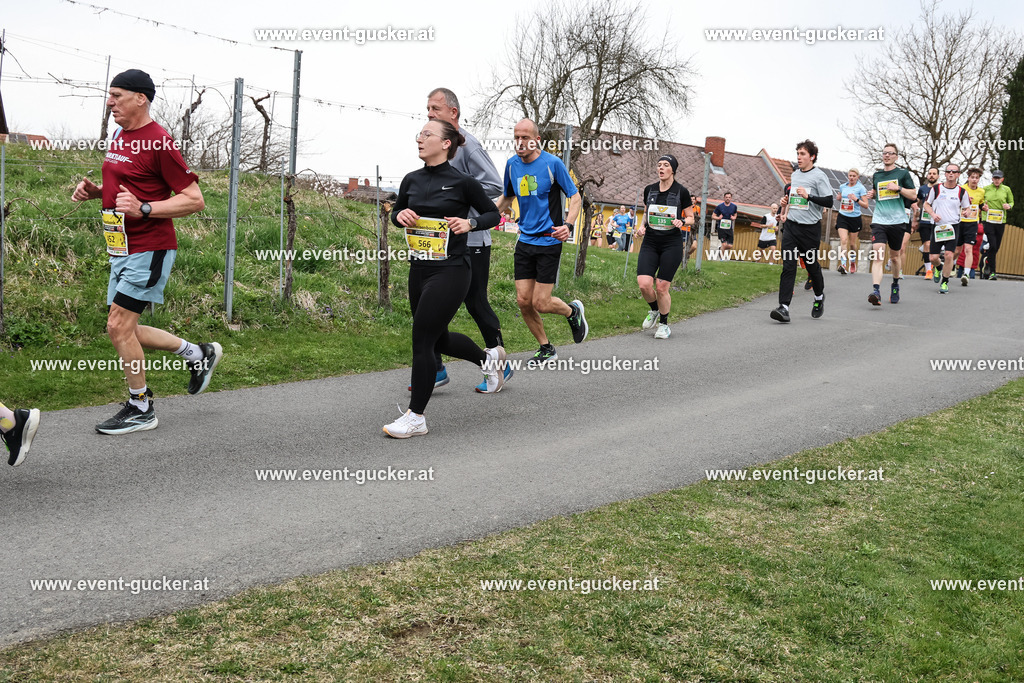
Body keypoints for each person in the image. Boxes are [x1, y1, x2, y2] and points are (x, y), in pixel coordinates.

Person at [71, 69, 221, 435]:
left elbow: (194, 200)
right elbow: (129, 185)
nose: (110, 102)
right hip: (120, 246)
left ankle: (141, 406)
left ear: (141, 98)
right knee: (126, 330)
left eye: (117, 95)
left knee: (117, 325)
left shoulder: (160, 142)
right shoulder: (121, 135)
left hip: (149, 247)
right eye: (109, 96)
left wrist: (146, 209)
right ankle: (196, 353)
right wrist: (96, 192)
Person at [385, 120, 506, 438]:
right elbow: (396, 213)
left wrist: (471, 224)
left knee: (421, 339)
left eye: (427, 134)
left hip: (452, 270)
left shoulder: (463, 182)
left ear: (446, 143)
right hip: (419, 268)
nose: (420, 139)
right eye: (419, 134)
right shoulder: (411, 180)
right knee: (437, 339)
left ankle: (416, 417)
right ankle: (486, 359)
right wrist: (400, 216)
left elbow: (494, 214)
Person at [423, 88, 511, 393]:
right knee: (432, 303)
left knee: (475, 303)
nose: (430, 114)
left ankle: (499, 360)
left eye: (435, 108)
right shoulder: (439, 146)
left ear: (453, 113)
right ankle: (435, 368)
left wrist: (463, 204)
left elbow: (493, 184)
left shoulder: (468, 146)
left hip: (473, 238)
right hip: (443, 240)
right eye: (428, 109)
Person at [495, 119, 588, 367]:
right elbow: (506, 197)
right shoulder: (512, 165)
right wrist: (480, 218)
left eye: (525, 137)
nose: (520, 142)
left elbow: (575, 197)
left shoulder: (553, 164)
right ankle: (546, 347)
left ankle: (572, 312)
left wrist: (567, 225)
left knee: (541, 302)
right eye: (516, 137)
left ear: (536, 139)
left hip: (549, 241)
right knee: (523, 301)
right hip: (524, 241)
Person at [770, 140, 831, 323]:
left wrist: (809, 196)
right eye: (797, 154)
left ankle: (819, 297)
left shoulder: (819, 176)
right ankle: (784, 307)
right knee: (788, 266)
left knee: (812, 266)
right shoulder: (795, 175)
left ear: (812, 156)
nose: (799, 157)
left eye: (803, 154)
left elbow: (829, 202)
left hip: (810, 229)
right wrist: (785, 202)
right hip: (792, 227)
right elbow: (794, 199)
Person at [635, 154, 694, 339]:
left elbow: (691, 218)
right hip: (650, 242)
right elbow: (646, 213)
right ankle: (654, 310)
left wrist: (682, 221)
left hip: (671, 243)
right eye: (659, 165)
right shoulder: (649, 190)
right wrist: (641, 226)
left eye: (665, 165)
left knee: (661, 287)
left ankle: (664, 325)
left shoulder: (681, 192)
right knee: (644, 285)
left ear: (673, 170)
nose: (661, 168)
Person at [864, 143, 916, 305]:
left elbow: (913, 195)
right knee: (878, 253)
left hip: (897, 221)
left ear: (896, 156)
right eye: (885, 153)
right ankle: (876, 291)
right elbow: (878, 195)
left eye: (890, 153)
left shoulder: (903, 174)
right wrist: (872, 195)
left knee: (894, 257)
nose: (887, 155)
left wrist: (898, 188)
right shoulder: (877, 175)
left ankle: (895, 284)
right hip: (879, 220)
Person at [922, 163, 972, 294]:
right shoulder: (936, 189)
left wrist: (967, 212)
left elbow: (967, 207)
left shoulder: (962, 192)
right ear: (945, 174)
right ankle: (938, 267)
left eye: (954, 172)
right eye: (948, 171)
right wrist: (933, 214)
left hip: (953, 226)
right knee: (933, 257)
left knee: (949, 254)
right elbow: (926, 204)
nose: (951, 173)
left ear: (958, 175)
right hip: (938, 226)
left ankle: (944, 282)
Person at [982, 169, 1014, 280]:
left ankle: (987, 261)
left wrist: (1009, 206)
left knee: (996, 247)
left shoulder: (1006, 189)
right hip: (988, 220)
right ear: (992, 179)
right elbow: (980, 202)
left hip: (1000, 221)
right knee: (993, 245)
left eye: (998, 178)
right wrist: (983, 207)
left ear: (1002, 179)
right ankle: (992, 272)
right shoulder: (985, 189)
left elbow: (1011, 202)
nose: (996, 180)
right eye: (995, 178)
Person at [835, 170, 868, 275]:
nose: (852, 178)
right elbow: (841, 198)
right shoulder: (842, 186)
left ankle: (852, 261)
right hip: (843, 216)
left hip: (855, 218)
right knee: (844, 240)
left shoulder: (861, 188)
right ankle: (843, 264)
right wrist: (839, 198)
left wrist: (856, 199)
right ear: (848, 176)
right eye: (850, 176)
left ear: (857, 177)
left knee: (853, 244)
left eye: (854, 176)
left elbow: (866, 205)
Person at [956, 168, 985, 284]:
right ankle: (951, 266)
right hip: (960, 221)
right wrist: (965, 201)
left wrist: (984, 208)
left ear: (979, 179)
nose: (974, 179)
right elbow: (955, 203)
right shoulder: (962, 189)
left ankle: (966, 274)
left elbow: (981, 204)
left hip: (972, 223)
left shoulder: (981, 192)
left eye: (976, 178)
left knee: (969, 248)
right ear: (968, 178)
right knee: (957, 250)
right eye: (972, 177)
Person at [913, 167, 940, 280]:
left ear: (938, 176)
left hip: (938, 221)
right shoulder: (922, 189)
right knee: (927, 244)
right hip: (925, 221)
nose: (932, 175)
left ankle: (937, 266)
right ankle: (929, 270)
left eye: (934, 173)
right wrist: (915, 212)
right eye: (930, 173)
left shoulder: (941, 188)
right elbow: (917, 202)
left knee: (936, 246)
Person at [713, 192, 738, 258]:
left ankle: (720, 249)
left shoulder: (734, 207)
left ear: (731, 198)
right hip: (721, 228)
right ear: (724, 198)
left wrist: (734, 218)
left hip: (729, 228)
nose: (728, 199)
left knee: (730, 246)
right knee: (724, 244)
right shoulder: (719, 206)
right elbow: (713, 216)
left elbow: (735, 214)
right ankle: (722, 259)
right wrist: (718, 218)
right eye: (726, 197)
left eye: (729, 197)